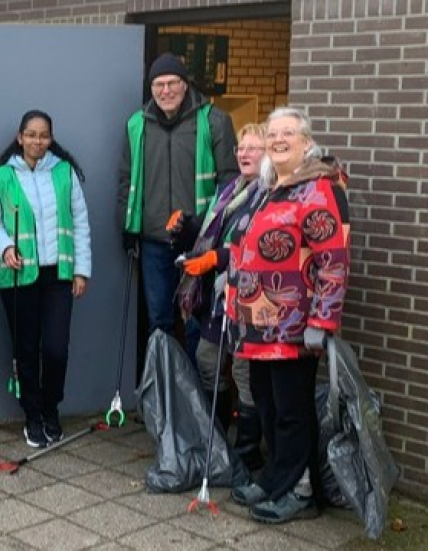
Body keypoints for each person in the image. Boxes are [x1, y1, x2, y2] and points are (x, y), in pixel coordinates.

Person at [226, 107, 350, 524]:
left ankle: (300, 491)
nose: (278, 140)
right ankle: (276, 477)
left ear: (306, 142)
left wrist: (323, 321)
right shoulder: (270, 187)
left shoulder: (318, 190)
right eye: (273, 133)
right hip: (257, 324)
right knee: (267, 404)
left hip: (294, 326)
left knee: (292, 409)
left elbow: (332, 261)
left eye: (288, 134)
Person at [0, 110, 91, 448]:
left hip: (58, 273)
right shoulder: (1, 176)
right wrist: (5, 248)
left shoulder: (64, 172)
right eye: (31, 135)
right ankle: (32, 415)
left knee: (56, 349)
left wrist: (81, 269)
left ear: (50, 138)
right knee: (26, 348)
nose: (37, 141)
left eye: (43, 135)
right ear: (20, 137)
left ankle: (50, 409)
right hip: (19, 274)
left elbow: (80, 222)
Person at [117, 53, 239, 350]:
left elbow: (230, 181)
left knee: (196, 323)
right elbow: (125, 179)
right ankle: (164, 390)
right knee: (159, 323)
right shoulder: (137, 124)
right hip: (154, 241)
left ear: (185, 85)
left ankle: (194, 393)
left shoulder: (214, 120)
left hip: (199, 242)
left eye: (172, 82)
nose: (166, 90)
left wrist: (205, 222)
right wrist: (127, 225)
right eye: (159, 84)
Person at [170, 123, 267, 469]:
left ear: (268, 154)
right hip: (217, 294)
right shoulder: (229, 190)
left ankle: (247, 452)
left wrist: (218, 258)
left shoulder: (269, 196)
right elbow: (213, 230)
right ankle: (218, 438)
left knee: (244, 372)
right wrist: (186, 229)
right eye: (241, 147)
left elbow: (254, 244)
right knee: (209, 360)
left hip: (250, 298)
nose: (244, 153)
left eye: (253, 147)